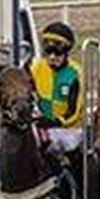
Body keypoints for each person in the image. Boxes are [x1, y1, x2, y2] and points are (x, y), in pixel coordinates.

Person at [28, 21, 84, 158]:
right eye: (48, 53)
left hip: (68, 128)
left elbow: (75, 110)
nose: (52, 57)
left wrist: (56, 122)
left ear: (66, 53)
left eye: (57, 53)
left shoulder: (75, 73)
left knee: (57, 144)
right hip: (42, 126)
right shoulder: (36, 67)